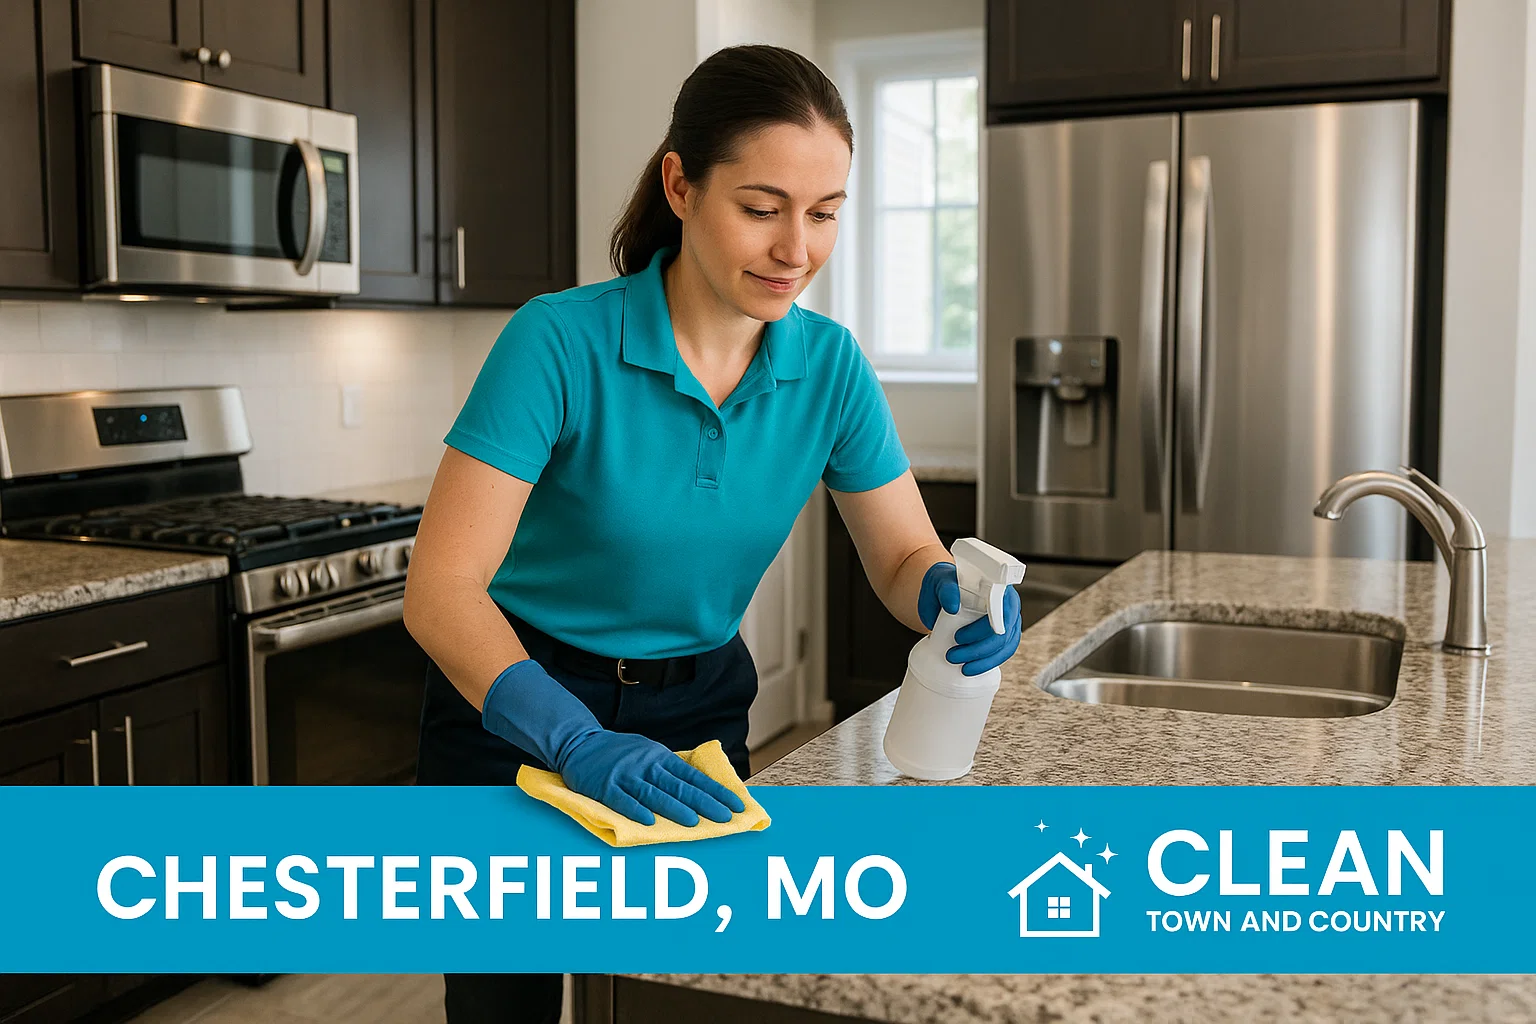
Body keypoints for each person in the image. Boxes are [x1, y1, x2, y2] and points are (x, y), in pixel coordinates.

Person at [402, 43, 1023, 1024]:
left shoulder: (830, 368)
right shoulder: (557, 342)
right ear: (682, 185)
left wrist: (947, 593)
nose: (797, 249)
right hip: (517, 708)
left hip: (694, 713)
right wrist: (574, 738)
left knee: (674, 992)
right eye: (763, 206)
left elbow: (904, 555)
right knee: (503, 1000)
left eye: (824, 213)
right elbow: (440, 591)